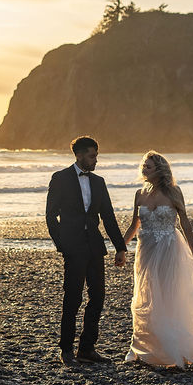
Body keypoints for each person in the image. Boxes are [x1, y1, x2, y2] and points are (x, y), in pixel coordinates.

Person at [121, 151, 193, 368]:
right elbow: (134, 224)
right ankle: (138, 346)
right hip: (145, 250)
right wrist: (121, 247)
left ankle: (175, 347)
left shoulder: (174, 192)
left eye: (149, 166)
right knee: (144, 295)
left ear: (160, 170)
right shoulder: (139, 193)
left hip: (169, 248)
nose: (144, 169)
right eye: (143, 165)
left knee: (168, 294)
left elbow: (185, 222)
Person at [46, 136, 127, 365]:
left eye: (97, 155)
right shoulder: (60, 178)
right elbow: (51, 215)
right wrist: (62, 244)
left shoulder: (99, 182)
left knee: (98, 297)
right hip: (73, 247)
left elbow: (108, 217)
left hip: (94, 246)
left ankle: (87, 348)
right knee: (72, 298)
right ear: (79, 155)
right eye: (92, 156)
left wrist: (119, 247)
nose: (96, 160)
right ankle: (66, 350)